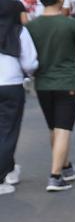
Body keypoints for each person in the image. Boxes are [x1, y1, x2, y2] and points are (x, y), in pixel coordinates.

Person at [26, 0, 75, 192]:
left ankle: (64, 166)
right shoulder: (71, 24)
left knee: (53, 127)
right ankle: (55, 176)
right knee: (63, 129)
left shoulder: (31, 25)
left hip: (42, 83)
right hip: (67, 81)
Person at [0, 25, 38, 195]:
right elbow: (30, 63)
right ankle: (3, 174)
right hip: (11, 82)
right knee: (8, 131)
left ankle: (10, 167)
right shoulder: (17, 30)